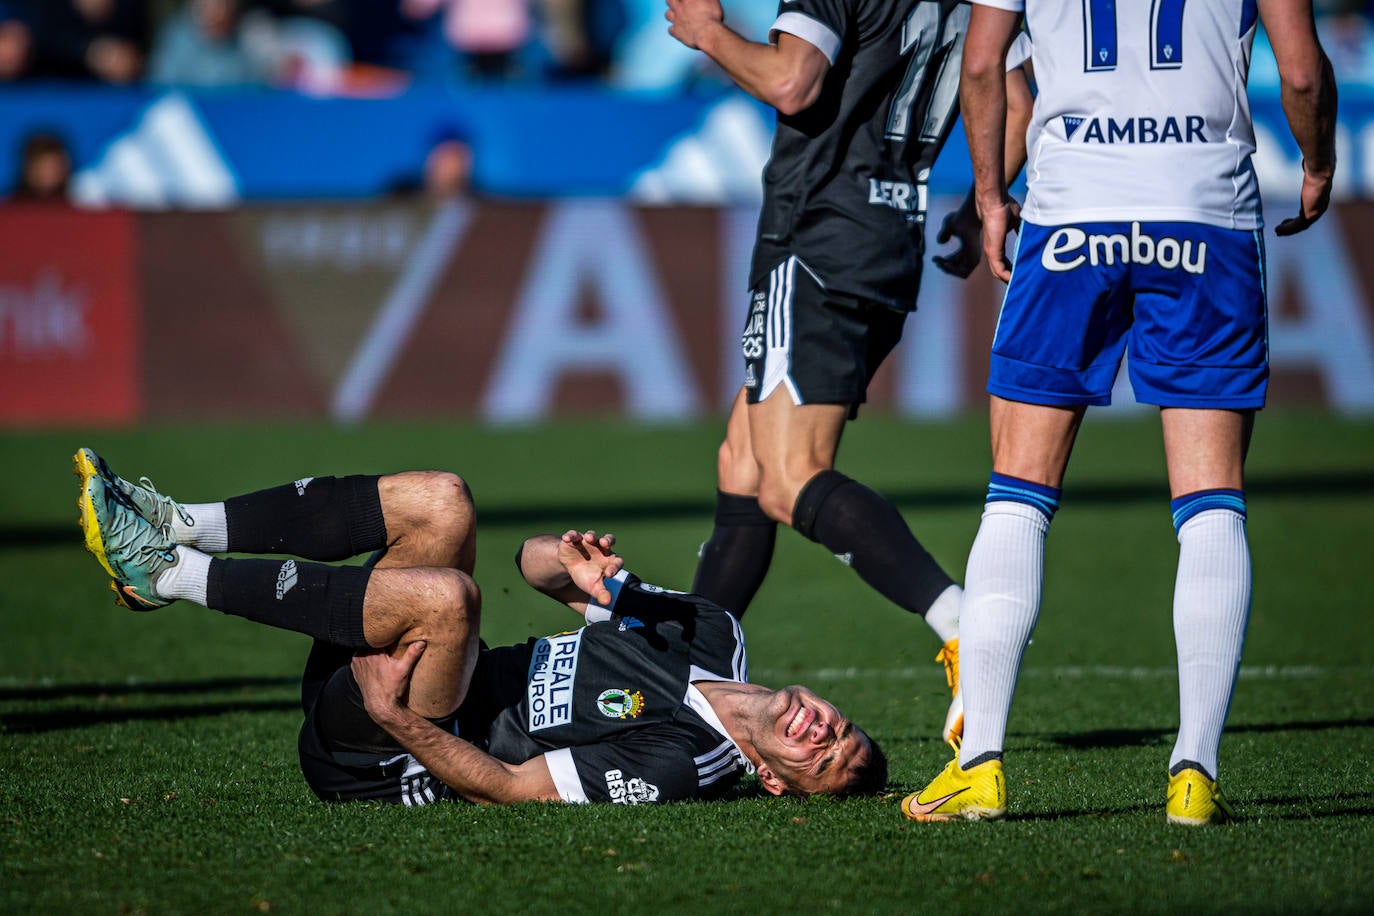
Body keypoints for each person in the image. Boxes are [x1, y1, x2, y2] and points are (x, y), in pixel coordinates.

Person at [902, 0, 1337, 824]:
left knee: (1017, 493)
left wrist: (992, 197)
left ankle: (982, 762)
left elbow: (985, 64)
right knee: (1210, 500)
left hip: (1072, 213)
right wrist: (1317, 162)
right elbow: (1304, 71)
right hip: (1204, 212)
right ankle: (1193, 775)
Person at [73, 447, 885, 805]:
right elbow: (529, 565)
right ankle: (184, 522)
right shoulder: (708, 629)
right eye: (840, 728)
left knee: (450, 604)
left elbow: (509, 788)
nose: (822, 729)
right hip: (404, 669)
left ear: (776, 780)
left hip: (390, 744)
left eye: (823, 756)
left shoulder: (680, 764)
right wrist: (569, 563)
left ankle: (166, 574)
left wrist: (395, 716)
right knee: (443, 499)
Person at [666, 0, 974, 746]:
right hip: (890, 236)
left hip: (818, 239)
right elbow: (1007, 82)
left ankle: (964, 623)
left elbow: (793, 82)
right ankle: (692, 685)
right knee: (742, 463)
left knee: (787, 476)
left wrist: (709, 35)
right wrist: (989, 196)